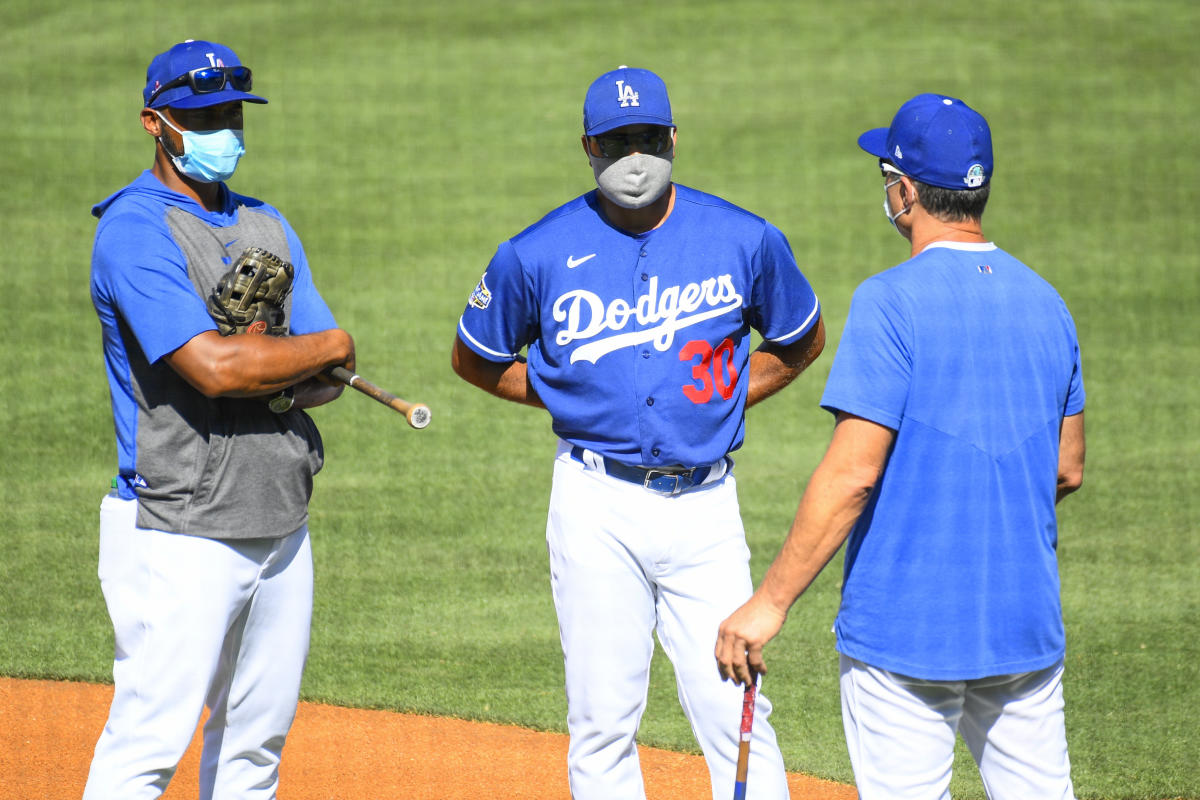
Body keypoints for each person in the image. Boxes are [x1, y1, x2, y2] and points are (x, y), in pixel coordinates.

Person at [451, 66, 825, 800]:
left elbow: (799, 339)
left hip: (705, 511)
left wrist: (724, 397)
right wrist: (571, 399)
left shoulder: (744, 238)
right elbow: (476, 357)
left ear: (674, 139)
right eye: (617, 142)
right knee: (601, 719)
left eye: (649, 139)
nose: (635, 157)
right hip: (595, 505)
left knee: (733, 707)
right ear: (588, 145)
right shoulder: (535, 252)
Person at [714, 93, 1087, 800]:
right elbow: (1067, 466)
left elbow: (854, 473)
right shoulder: (1048, 301)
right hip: (1022, 623)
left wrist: (770, 602)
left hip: (906, 632)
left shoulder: (891, 300)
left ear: (905, 191)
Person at [84, 40, 355, 799]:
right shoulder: (135, 231)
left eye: (230, 113)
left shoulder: (268, 224)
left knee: (253, 749)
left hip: (279, 518)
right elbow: (213, 367)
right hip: (180, 528)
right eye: (200, 116)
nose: (220, 128)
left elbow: (326, 382)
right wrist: (309, 351)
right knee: (149, 746)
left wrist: (292, 368)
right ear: (154, 123)